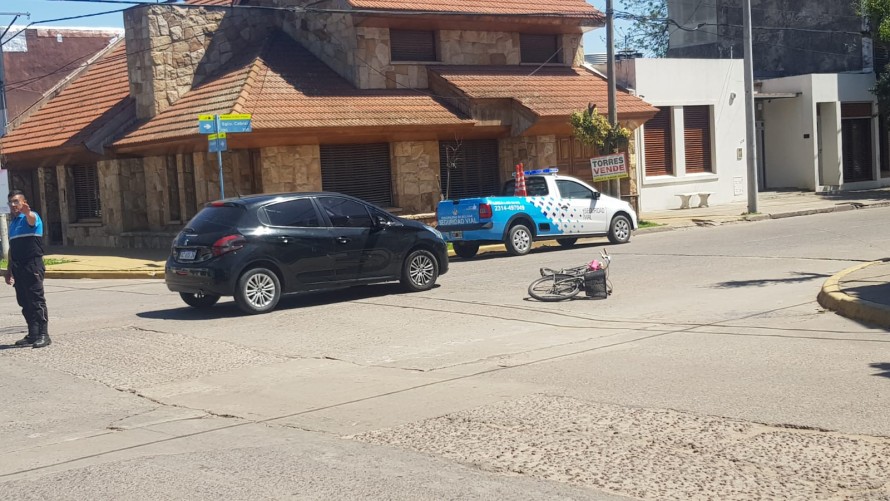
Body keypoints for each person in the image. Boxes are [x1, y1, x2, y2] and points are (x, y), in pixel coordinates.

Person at [4, 190, 50, 348]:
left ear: (24, 202)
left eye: (16, 201)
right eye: (10, 202)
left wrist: (28, 211)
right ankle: (33, 333)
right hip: (18, 267)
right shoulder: (14, 223)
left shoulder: (32, 217)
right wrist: (8, 270)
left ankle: (44, 335)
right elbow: (12, 248)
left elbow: (31, 219)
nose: (13, 205)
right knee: (24, 301)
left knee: (36, 301)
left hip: (32, 265)